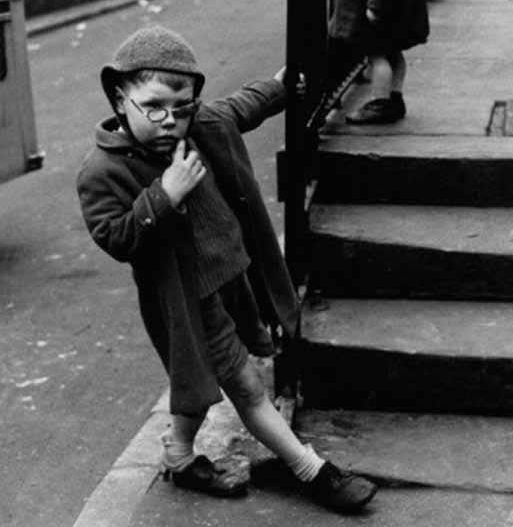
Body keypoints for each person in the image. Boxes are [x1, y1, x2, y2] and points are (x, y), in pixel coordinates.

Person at [76, 25, 377, 514]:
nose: (170, 121)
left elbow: (242, 106)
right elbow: (116, 238)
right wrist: (163, 196)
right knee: (245, 386)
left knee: (196, 386)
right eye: (153, 106)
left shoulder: (201, 125)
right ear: (118, 97)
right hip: (188, 300)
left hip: (233, 280)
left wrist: (282, 85)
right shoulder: (102, 171)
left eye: (183, 106)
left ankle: (178, 455)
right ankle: (310, 470)